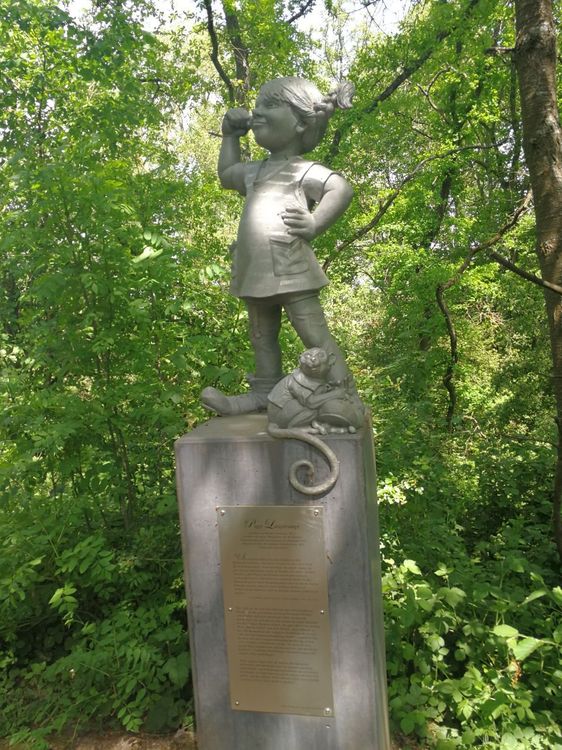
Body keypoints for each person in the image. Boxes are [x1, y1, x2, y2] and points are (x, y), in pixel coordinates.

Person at [201, 76, 360, 416]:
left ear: (302, 122)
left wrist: (315, 223)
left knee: (313, 333)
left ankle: (343, 395)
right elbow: (226, 174)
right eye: (258, 104)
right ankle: (264, 392)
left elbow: (341, 189)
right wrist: (229, 136)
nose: (257, 112)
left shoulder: (303, 170)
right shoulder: (254, 171)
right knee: (261, 334)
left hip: (290, 265)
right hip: (254, 267)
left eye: (270, 105)